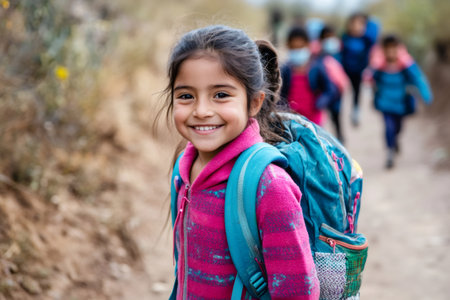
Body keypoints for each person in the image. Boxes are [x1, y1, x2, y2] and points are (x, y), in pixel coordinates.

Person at [164, 25, 320, 299]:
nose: (201, 111)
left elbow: (298, 291)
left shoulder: (270, 187)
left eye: (221, 95)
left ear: (254, 103)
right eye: (186, 96)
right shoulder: (183, 171)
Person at [366, 34, 433, 169]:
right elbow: (368, 78)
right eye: (388, 49)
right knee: (388, 127)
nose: (391, 52)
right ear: (383, 50)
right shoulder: (379, 65)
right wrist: (372, 69)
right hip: (385, 103)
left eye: (393, 48)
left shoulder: (406, 65)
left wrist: (426, 96)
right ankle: (390, 153)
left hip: (401, 104)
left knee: (398, 128)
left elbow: (418, 79)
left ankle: (395, 141)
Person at [280, 26, 339, 126]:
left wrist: (320, 103)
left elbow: (331, 90)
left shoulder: (317, 67)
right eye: (294, 48)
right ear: (288, 46)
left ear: (308, 45)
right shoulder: (286, 70)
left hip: (314, 121)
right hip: (293, 122)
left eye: (300, 47)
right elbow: (281, 95)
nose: (297, 51)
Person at [341, 13, 379, 126]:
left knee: (357, 91)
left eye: (360, 24)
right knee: (345, 91)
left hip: (360, 71)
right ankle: (343, 112)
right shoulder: (345, 37)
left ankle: (356, 111)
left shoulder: (366, 38)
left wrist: (369, 21)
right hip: (346, 70)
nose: (356, 26)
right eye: (354, 23)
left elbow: (374, 35)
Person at [319, 25, 351, 143]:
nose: (330, 40)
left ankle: (339, 137)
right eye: (327, 37)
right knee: (323, 117)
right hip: (324, 91)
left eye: (332, 37)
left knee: (336, 115)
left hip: (337, 91)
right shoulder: (318, 56)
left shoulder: (340, 53)